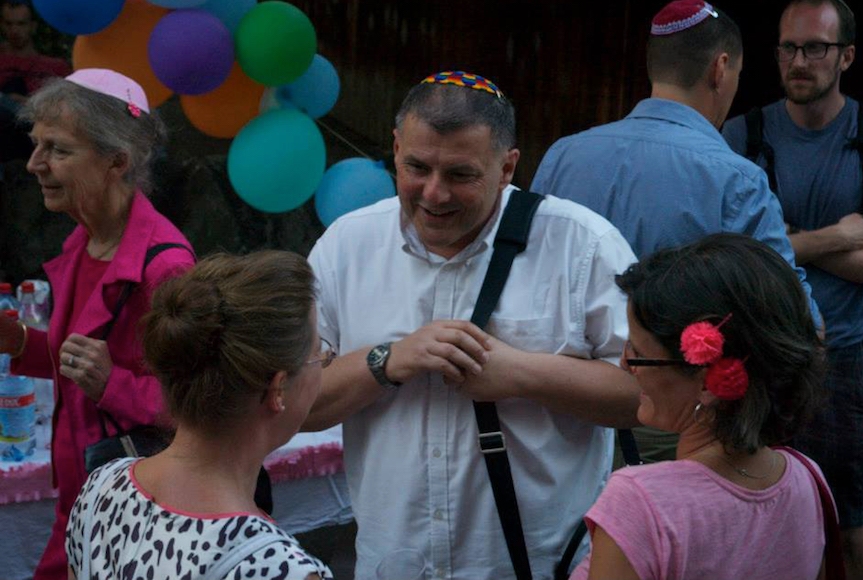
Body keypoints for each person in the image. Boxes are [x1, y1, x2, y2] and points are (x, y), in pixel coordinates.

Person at [304, 70, 640, 579]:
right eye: (416, 167)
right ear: (394, 148)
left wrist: (520, 374)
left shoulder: (584, 244)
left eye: (460, 175)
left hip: (536, 567)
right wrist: (386, 361)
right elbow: (294, 406)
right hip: (392, 566)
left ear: (508, 167)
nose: (434, 194)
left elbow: (646, 398)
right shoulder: (344, 246)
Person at [530, 0, 820, 464]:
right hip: (671, 425)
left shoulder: (562, 156)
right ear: (721, 69)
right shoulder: (735, 178)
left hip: (564, 417)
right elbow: (796, 317)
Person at [0, 68, 195, 579]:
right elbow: (80, 362)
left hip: (134, 512)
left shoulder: (165, 266)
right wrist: (20, 341)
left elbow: (195, 406)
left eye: (58, 150)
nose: (34, 164)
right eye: (37, 145)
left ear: (117, 162)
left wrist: (113, 383)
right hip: (83, 504)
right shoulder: (85, 243)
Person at [722, 1, 863, 577]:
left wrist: (782, 242)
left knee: (847, 523)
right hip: (755, 356)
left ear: (847, 56)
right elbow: (733, 257)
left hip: (838, 353)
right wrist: (840, 237)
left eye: (815, 48)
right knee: (748, 515)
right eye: (788, 48)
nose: (799, 61)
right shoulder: (743, 134)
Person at [570, 233, 827, 580]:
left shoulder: (641, 502)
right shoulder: (806, 476)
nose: (624, 365)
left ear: (708, 382)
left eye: (638, 353)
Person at [65, 251, 333, 579]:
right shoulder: (278, 568)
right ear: (277, 389)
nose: (323, 362)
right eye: (318, 353)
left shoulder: (100, 490)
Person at [0, 0, 70, 161]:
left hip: (39, 125)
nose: (15, 30)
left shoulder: (55, 66)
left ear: (32, 26)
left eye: (21, 24)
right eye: (9, 24)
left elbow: (68, 108)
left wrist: (28, 103)